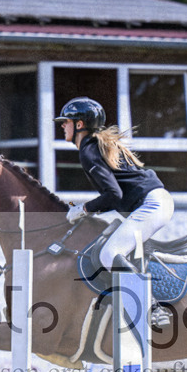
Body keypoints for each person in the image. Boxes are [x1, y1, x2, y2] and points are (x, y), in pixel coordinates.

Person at [55, 96, 175, 326]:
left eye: (66, 122)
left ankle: (152, 307)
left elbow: (113, 196)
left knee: (108, 254)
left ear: (79, 124)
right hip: (154, 201)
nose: (62, 126)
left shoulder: (88, 150)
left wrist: (84, 209)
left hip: (151, 205)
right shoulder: (94, 145)